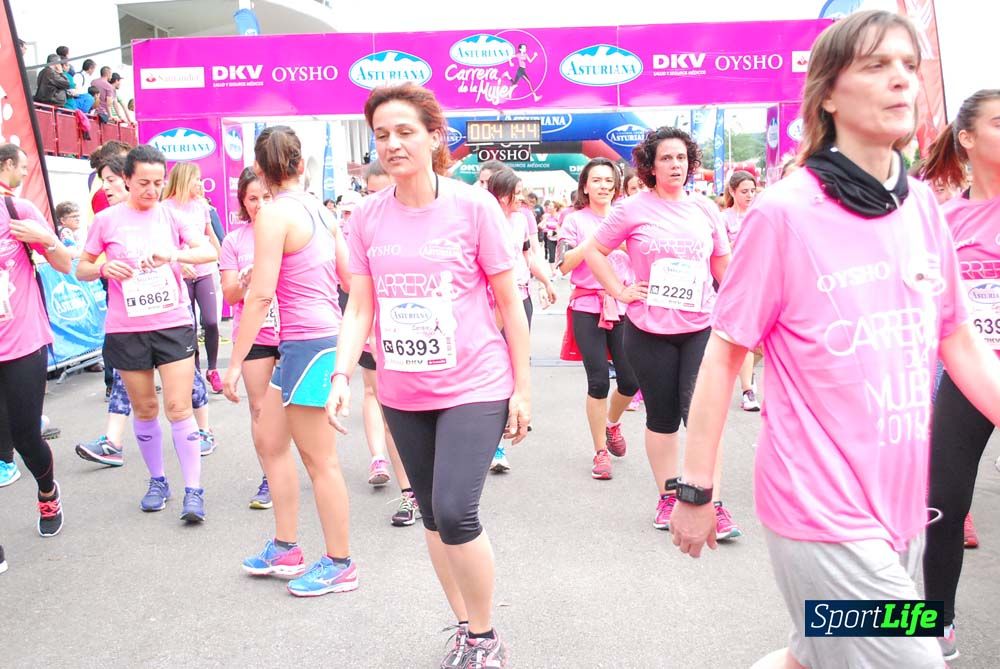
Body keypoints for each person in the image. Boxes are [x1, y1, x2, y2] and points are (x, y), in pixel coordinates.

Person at [668, 12, 1000, 669]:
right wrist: (696, 489)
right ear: (826, 94)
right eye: (876, 65)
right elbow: (724, 353)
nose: (901, 79)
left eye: (908, 64)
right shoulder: (785, 212)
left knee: (812, 656)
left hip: (901, 506)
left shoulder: (923, 207)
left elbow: (957, 335)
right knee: (914, 660)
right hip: (819, 510)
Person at [329, 83, 529, 667]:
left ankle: (488, 638)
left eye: (405, 132)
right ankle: (466, 628)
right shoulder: (365, 216)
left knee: (456, 510)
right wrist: (341, 375)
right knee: (435, 517)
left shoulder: (473, 206)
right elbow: (360, 306)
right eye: (382, 135)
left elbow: (508, 301)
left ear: (435, 137)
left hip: (475, 381)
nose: (392, 144)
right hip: (402, 388)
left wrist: (523, 387)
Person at [582, 127, 740, 540]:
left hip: (700, 328)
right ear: (651, 166)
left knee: (702, 415)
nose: (676, 165)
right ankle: (669, 496)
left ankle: (712, 502)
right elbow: (594, 251)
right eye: (667, 158)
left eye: (682, 158)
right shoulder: (632, 208)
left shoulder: (705, 210)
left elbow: (723, 265)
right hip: (649, 329)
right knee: (663, 417)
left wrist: (742, 306)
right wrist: (619, 291)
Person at [222, 126, 357, 597]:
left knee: (321, 462)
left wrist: (234, 362)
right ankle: (286, 545)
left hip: (309, 343)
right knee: (271, 440)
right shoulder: (321, 212)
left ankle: (340, 562)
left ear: (260, 170)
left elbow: (259, 295)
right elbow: (348, 277)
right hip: (307, 343)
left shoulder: (275, 214)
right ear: (301, 165)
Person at [77, 145, 217, 522]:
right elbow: (83, 267)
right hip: (127, 329)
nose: (151, 190)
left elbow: (206, 252)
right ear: (126, 179)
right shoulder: (106, 220)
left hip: (172, 324)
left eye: (158, 182)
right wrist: (107, 268)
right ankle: (158, 481)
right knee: (144, 408)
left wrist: (173, 255)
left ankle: (193, 490)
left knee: (178, 407)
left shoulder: (172, 216)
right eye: (143, 183)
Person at [918, 89, 1000, 662]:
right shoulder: (943, 220)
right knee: (942, 501)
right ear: (967, 139)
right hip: (968, 378)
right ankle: (935, 621)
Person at [336, 161, 419, 526]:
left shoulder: (438, 214)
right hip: (380, 336)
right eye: (370, 192)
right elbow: (352, 292)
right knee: (389, 410)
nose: (377, 199)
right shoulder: (362, 222)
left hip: (433, 342)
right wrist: (341, 373)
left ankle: (433, 487)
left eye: (383, 190)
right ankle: (408, 493)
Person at [0, 143, 73, 536]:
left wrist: (44, 237)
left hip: (22, 341)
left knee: (27, 436)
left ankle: (47, 492)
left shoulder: (17, 211)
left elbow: (64, 264)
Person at [557, 157, 639, 480]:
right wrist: (599, 242)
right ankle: (599, 452)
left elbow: (643, 256)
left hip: (623, 305)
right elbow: (563, 264)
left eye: (609, 180)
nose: (603, 186)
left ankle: (612, 425)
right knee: (598, 381)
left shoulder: (628, 218)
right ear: (585, 186)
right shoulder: (573, 221)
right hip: (587, 306)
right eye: (597, 180)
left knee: (631, 380)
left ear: (616, 185)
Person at [484, 167, 557, 474]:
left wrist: (548, 283)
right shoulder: (482, 219)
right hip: (489, 302)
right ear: (503, 194)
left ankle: (511, 420)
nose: (523, 198)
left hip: (520, 298)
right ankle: (491, 442)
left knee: (516, 363)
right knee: (491, 364)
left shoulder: (522, 218)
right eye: (518, 192)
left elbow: (528, 256)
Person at [219, 168, 281, 510]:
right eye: (252, 199)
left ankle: (307, 467)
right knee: (259, 408)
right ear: (242, 202)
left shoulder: (290, 229)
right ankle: (270, 477)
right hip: (253, 333)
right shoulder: (234, 240)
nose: (259, 205)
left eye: (266, 197)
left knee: (299, 409)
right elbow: (229, 296)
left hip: (292, 330)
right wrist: (244, 282)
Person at [162, 162, 224, 394]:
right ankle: (195, 372)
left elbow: (211, 237)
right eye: (196, 179)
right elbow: (163, 242)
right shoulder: (165, 208)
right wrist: (178, 262)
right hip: (179, 274)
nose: (200, 184)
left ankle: (214, 368)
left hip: (204, 270)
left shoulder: (201, 206)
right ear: (183, 180)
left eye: (201, 179)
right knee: (190, 324)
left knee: (210, 321)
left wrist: (221, 262)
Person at [720, 170, 761, 412]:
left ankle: (748, 373)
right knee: (742, 337)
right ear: (733, 192)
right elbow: (721, 253)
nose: (749, 195)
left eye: (752, 191)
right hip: (734, 282)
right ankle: (747, 391)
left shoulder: (759, 214)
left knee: (761, 338)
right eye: (744, 191)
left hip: (762, 279)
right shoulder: (724, 218)